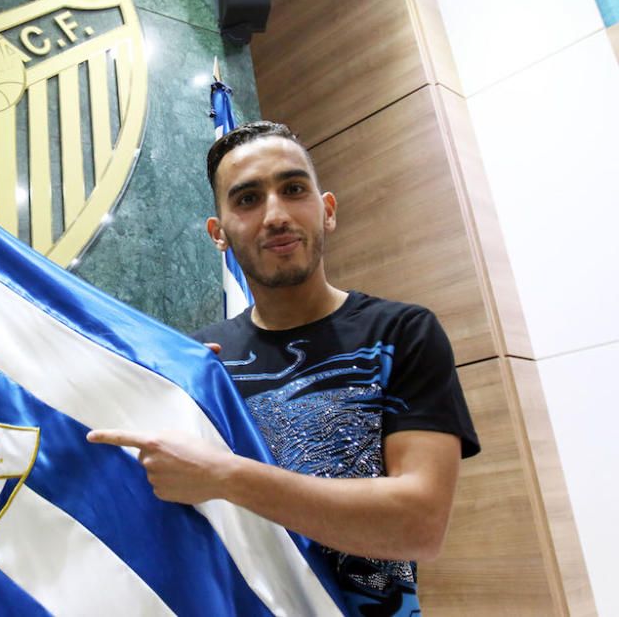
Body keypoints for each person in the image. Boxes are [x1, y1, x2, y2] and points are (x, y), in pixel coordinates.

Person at [88, 121, 480, 616]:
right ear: (219, 234)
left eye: (293, 189)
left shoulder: (401, 334)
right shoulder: (195, 361)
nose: (275, 215)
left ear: (327, 210)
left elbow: (419, 525)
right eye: (247, 200)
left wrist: (225, 475)